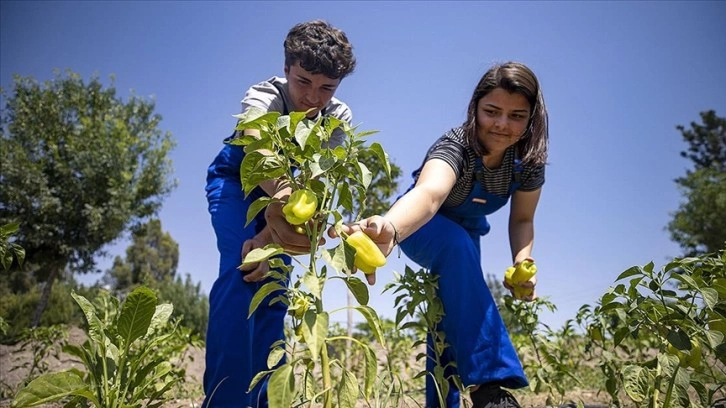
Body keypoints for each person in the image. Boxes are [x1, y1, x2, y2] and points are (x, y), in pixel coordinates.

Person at [337, 61, 548, 408]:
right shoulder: (455, 147)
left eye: (516, 116)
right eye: (491, 111)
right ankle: (490, 388)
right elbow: (429, 195)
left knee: (453, 314)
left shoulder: (528, 162)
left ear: (531, 119)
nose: (501, 124)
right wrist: (390, 228)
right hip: (421, 223)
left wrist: (522, 262)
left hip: (466, 232)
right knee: (455, 249)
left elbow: (522, 219)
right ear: (475, 108)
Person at [203, 20, 356, 408]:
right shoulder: (263, 96)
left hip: (289, 209)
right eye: (303, 81)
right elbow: (256, 149)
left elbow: (317, 185)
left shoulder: (338, 118)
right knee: (242, 275)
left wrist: (270, 239)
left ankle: (265, 401)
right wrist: (282, 203)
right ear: (287, 68)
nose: (312, 97)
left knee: (274, 293)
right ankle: (224, 399)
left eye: (326, 88)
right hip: (238, 186)